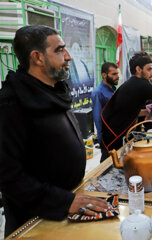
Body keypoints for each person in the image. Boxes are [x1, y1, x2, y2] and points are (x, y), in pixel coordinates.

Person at [0, 26, 109, 237]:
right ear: (37, 57)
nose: (68, 57)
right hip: (36, 220)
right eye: (60, 50)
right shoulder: (11, 104)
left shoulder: (54, 91)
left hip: (70, 209)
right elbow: (8, 176)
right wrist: (64, 201)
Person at [91, 62, 119, 162]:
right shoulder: (98, 93)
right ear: (104, 75)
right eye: (114, 74)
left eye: (117, 73)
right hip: (107, 139)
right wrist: (102, 141)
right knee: (107, 166)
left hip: (117, 136)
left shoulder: (114, 90)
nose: (117, 76)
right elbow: (98, 119)